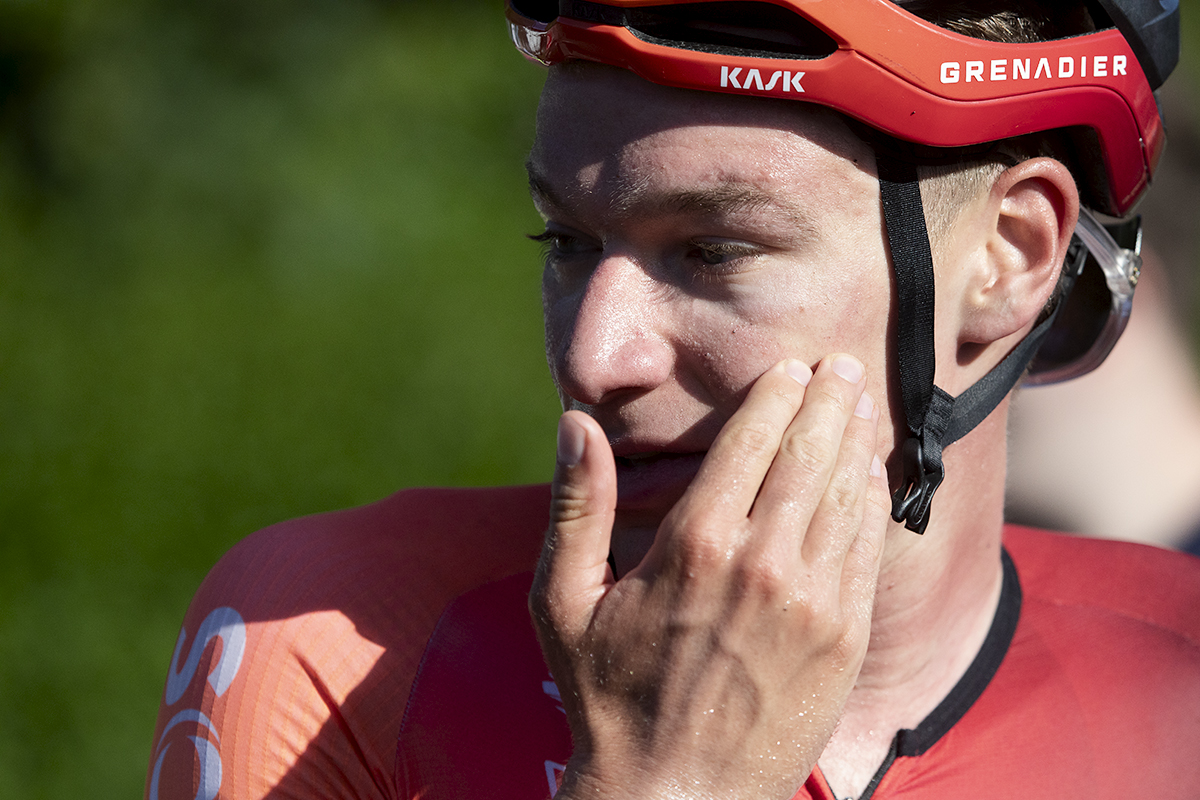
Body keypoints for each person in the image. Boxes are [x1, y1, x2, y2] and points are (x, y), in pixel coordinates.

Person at [146, 2, 1200, 799]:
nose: (596, 358)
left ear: (1010, 258)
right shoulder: (336, 634)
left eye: (712, 250)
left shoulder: (1178, 683)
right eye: (565, 242)